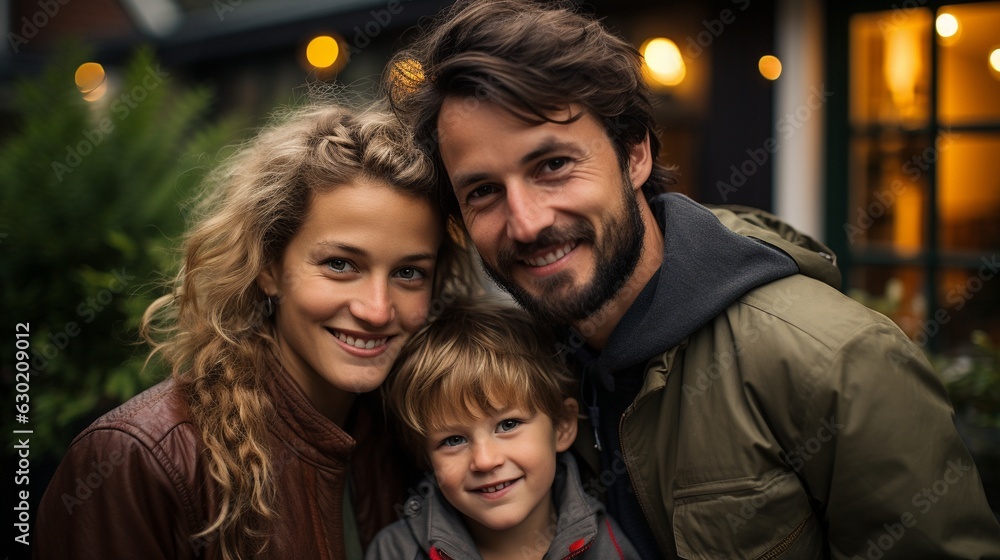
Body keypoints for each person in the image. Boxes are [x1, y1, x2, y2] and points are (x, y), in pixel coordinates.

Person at [382, 0, 1000, 558]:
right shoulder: (522, 365)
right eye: (484, 191)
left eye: (553, 165)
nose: (526, 222)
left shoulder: (835, 361)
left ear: (635, 153)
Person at [33, 103, 478, 560]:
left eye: (409, 273)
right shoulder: (138, 459)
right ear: (268, 267)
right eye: (340, 265)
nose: (377, 309)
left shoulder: (415, 435)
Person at [366, 299, 640, 560]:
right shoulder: (394, 551)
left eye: (508, 425)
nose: (485, 461)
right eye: (453, 440)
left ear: (562, 426)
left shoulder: (607, 546)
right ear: (426, 456)